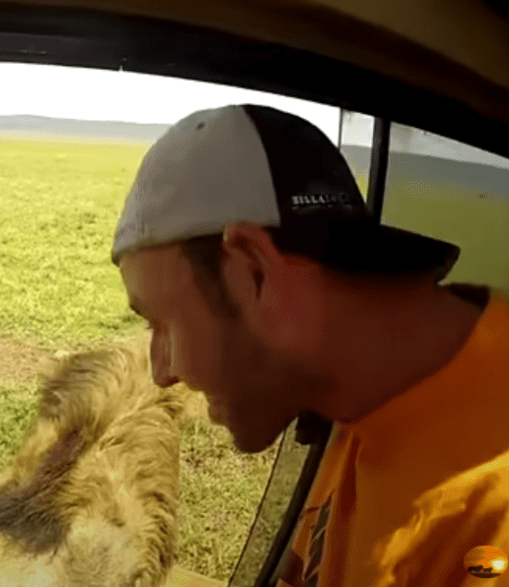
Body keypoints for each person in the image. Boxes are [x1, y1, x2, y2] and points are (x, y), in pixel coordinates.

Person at [110, 104, 509, 587]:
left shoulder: (491, 518)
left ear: (253, 271)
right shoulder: (357, 394)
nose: (162, 372)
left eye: (162, 324)